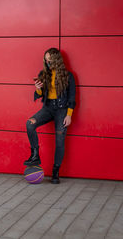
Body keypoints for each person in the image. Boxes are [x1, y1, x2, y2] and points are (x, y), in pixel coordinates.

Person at [24, 48, 76, 184]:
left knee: (59, 140)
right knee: (30, 124)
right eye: (46, 60)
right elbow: (40, 95)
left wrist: (69, 115)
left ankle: (55, 171)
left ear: (57, 60)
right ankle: (35, 155)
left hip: (62, 110)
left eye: (50, 60)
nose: (48, 63)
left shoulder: (68, 76)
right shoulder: (43, 74)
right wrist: (37, 87)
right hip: (47, 108)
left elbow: (71, 97)